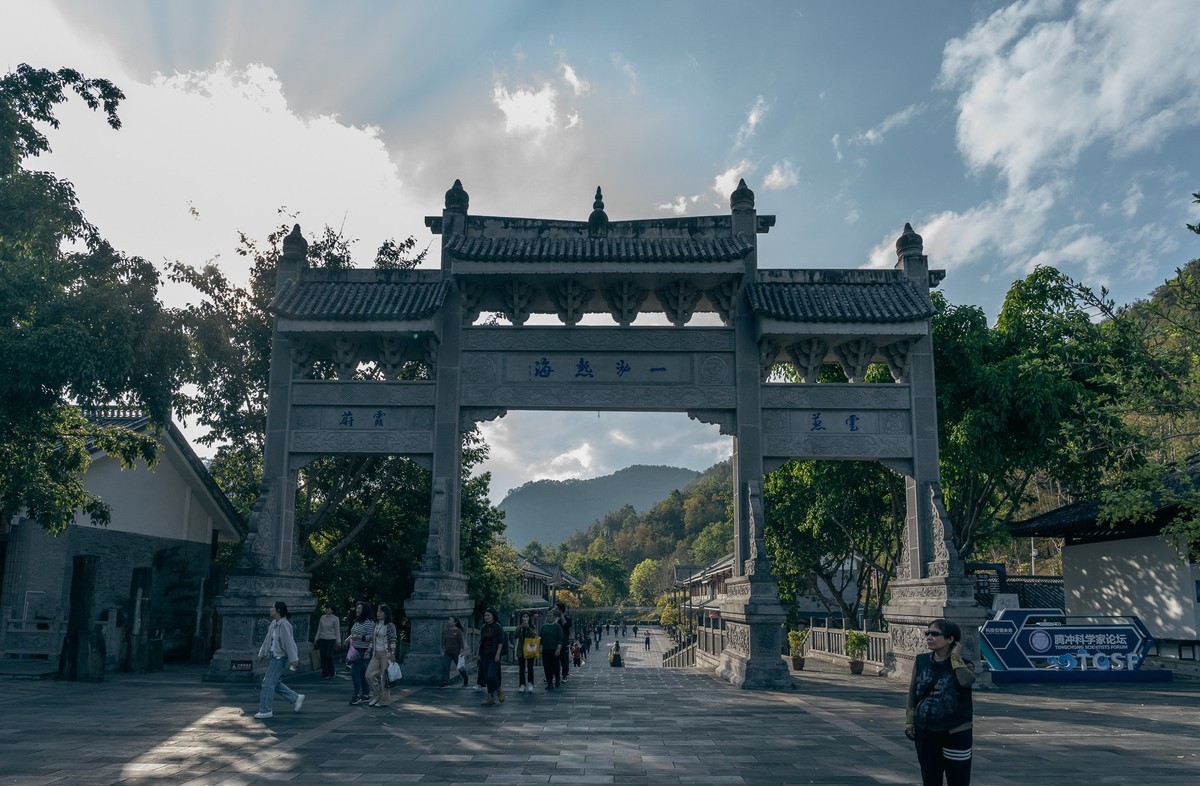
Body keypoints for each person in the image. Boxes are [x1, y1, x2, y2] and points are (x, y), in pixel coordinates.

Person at [906, 619, 976, 786]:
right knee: (930, 778)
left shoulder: (964, 664)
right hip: (925, 729)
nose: (929, 637)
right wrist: (910, 720)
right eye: (927, 633)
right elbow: (912, 692)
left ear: (950, 639)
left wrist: (955, 658)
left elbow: (966, 681)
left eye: (935, 634)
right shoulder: (922, 661)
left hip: (955, 731)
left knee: (958, 779)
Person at [254, 601, 304, 719]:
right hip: (273, 656)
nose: (270, 609)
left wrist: (293, 659)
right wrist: (262, 653)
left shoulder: (284, 625)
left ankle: (266, 710)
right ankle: (295, 697)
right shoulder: (273, 624)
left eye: (272, 607)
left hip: (279, 657)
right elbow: (267, 640)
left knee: (267, 684)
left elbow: (289, 643)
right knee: (273, 683)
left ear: (278, 610)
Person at [365, 603, 398, 707]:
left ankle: (384, 701)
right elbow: (372, 640)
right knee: (369, 674)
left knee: (384, 678)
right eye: (378, 611)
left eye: (381, 611)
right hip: (376, 653)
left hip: (385, 654)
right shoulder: (376, 624)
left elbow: (393, 640)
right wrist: (368, 651)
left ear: (386, 614)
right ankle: (377, 694)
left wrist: (392, 653)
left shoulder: (390, 626)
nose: (378, 613)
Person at [345, 602, 375, 705]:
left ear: (365, 611)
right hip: (354, 649)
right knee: (361, 673)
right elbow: (353, 633)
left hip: (363, 650)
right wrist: (349, 638)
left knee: (354, 672)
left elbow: (371, 637)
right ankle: (366, 694)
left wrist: (360, 638)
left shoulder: (369, 622)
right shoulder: (358, 621)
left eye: (359, 609)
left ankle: (356, 695)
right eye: (357, 608)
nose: (357, 610)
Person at [477, 607, 506, 706]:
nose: (486, 617)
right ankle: (490, 697)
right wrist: (478, 654)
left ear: (493, 616)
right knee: (487, 676)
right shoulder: (483, 627)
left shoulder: (497, 626)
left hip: (494, 654)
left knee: (491, 675)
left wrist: (498, 654)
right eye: (485, 615)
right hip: (484, 654)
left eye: (488, 615)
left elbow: (501, 642)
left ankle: (499, 690)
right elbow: (481, 641)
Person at [539, 608, 564, 690]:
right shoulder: (544, 626)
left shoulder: (557, 626)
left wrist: (558, 649)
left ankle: (557, 679)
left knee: (555, 666)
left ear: (554, 617)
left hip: (554, 649)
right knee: (547, 666)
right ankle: (549, 683)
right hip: (545, 649)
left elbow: (560, 639)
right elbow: (540, 637)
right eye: (548, 616)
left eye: (550, 616)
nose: (548, 617)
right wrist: (539, 647)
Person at [314, 604, 340, 679]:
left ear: (332, 610)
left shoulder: (335, 619)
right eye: (327, 608)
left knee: (328, 656)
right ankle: (324, 672)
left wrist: (338, 641)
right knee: (322, 656)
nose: (327, 610)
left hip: (331, 639)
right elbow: (319, 629)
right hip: (322, 638)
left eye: (329, 608)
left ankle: (332, 671)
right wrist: (316, 638)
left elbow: (337, 630)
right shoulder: (322, 617)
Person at [441, 615, 468, 688]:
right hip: (447, 653)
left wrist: (462, 651)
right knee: (445, 667)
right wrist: (444, 649)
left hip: (456, 653)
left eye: (450, 620)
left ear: (455, 622)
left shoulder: (458, 631)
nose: (448, 621)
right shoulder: (446, 630)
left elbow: (461, 642)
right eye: (448, 620)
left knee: (460, 668)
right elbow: (444, 641)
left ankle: (465, 678)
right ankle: (445, 682)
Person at [515, 611, 538, 693]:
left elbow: (535, 635)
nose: (525, 618)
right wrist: (520, 627)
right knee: (521, 668)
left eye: (527, 617)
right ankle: (522, 684)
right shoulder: (519, 627)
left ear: (529, 618)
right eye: (523, 616)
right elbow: (515, 636)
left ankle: (530, 683)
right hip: (521, 649)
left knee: (530, 667)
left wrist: (528, 628)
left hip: (530, 649)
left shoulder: (532, 626)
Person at [556, 602, 572, 683]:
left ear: (561, 610)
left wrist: (562, 618)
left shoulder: (567, 618)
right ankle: (555, 675)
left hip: (564, 643)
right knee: (555, 661)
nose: (556, 610)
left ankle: (564, 675)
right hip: (555, 643)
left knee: (564, 661)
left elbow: (567, 626)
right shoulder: (555, 618)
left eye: (557, 609)